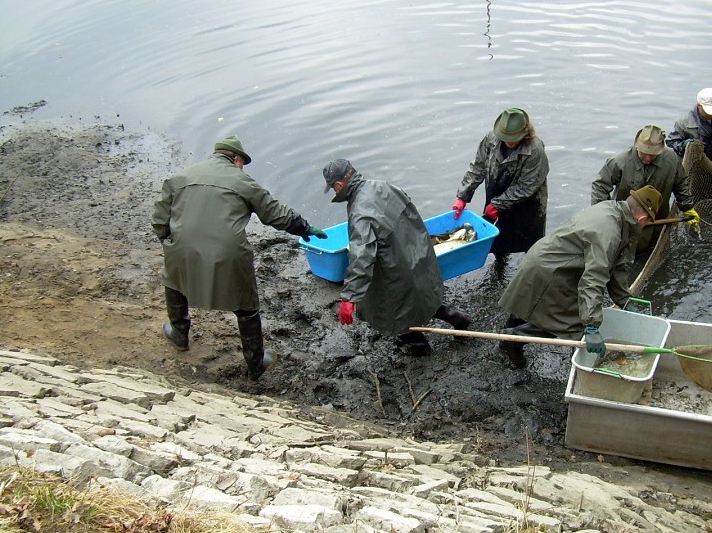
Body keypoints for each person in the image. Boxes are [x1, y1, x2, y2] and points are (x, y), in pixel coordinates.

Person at [151, 135, 327, 381]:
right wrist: (305, 228)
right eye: (243, 162)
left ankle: (179, 334)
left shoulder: (180, 177)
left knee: (174, 281)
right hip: (227, 253)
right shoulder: (242, 181)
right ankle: (256, 362)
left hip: (182, 247)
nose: (243, 167)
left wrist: (168, 242)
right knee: (246, 305)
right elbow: (275, 213)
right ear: (235, 158)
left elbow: (160, 219)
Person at [496, 185, 662, 369]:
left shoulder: (613, 210)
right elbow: (594, 279)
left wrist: (625, 301)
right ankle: (513, 340)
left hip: (544, 259)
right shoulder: (609, 232)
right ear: (642, 219)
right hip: (551, 270)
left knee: (535, 304)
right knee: (570, 322)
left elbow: (616, 268)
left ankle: (507, 336)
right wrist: (591, 326)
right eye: (647, 223)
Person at [323, 158, 471, 355]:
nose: (334, 192)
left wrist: (349, 297)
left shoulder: (360, 213)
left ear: (340, 184)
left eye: (333, 188)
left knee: (394, 313)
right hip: (417, 253)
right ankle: (457, 318)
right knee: (423, 295)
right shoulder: (382, 186)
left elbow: (362, 257)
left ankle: (419, 346)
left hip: (396, 268)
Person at [451, 108, 549, 260]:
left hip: (529, 204)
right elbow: (477, 167)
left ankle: (530, 267)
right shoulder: (491, 139)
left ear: (525, 133)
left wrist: (498, 204)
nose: (509, 142)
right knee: (498, 239)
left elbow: (527, 186)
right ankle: (500, 262)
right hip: (497, 194)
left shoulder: (535, 150)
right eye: (506, 137)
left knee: (530, 244)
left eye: (513, 138)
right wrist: (462, 196)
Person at [590, 125, 699, 252]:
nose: (648, 158)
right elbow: (600, 186)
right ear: (637, 147)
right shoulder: (619, 161)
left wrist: (687, 207)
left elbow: (681, 184)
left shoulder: (672, 160)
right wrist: (604, 216)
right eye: (644, 154)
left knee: (655, 250)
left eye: (652, 155)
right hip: (626, 222)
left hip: (658, 221)